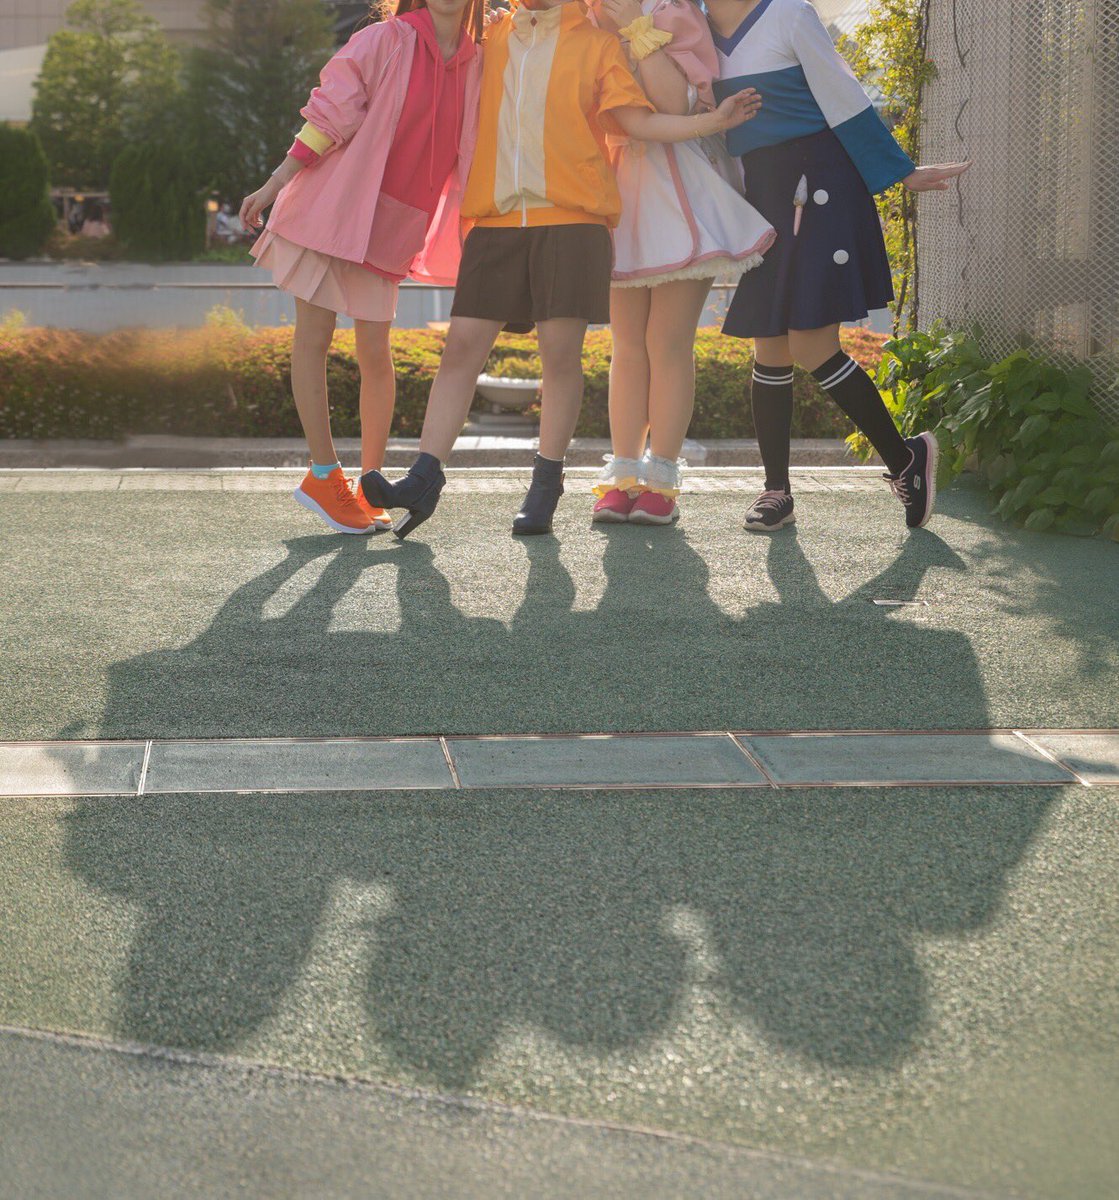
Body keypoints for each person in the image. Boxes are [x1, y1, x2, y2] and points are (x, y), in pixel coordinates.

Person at [361, 0, 762, 539]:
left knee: (563, 356)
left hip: (576, 220)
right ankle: (423, 477)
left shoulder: (597, 41)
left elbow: (637, 120)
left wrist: (713, 120)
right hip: (496, 219)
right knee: (461, 349)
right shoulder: (491, 39)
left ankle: (548, 485)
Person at [706, 0, 970, 531]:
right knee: (769, 344)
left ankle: (904, 459)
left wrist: (900, 171)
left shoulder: (789, 14)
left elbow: (843, 97)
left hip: (820, 185)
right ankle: (777, 491)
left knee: (810, 345)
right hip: (764, 195)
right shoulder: (691, 26)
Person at [239, 0, 484, 534]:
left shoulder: (481, 62)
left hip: (396, 224)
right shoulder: (385, 40)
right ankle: (323, 475)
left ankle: (369, 483)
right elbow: (330, 114)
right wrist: (275, 183)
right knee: (314, 338)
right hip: (334, 207)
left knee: (376, 351)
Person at [587, 0, 775, 526]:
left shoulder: (675, 10)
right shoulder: (587, 13)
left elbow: (677, 102)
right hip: (618, 186)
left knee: (667, 342)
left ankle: (661, 481)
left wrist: (635, 26)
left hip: (685, 183)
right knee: (626, 345)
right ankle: (623, 477)